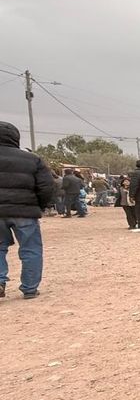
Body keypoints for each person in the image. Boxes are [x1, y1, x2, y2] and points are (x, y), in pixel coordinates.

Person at [0, 121, 54, 299]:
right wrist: (41, 206)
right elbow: (46, 186)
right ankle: (30, 288)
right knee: (31, 248)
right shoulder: (32, 159)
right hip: (25, 211)